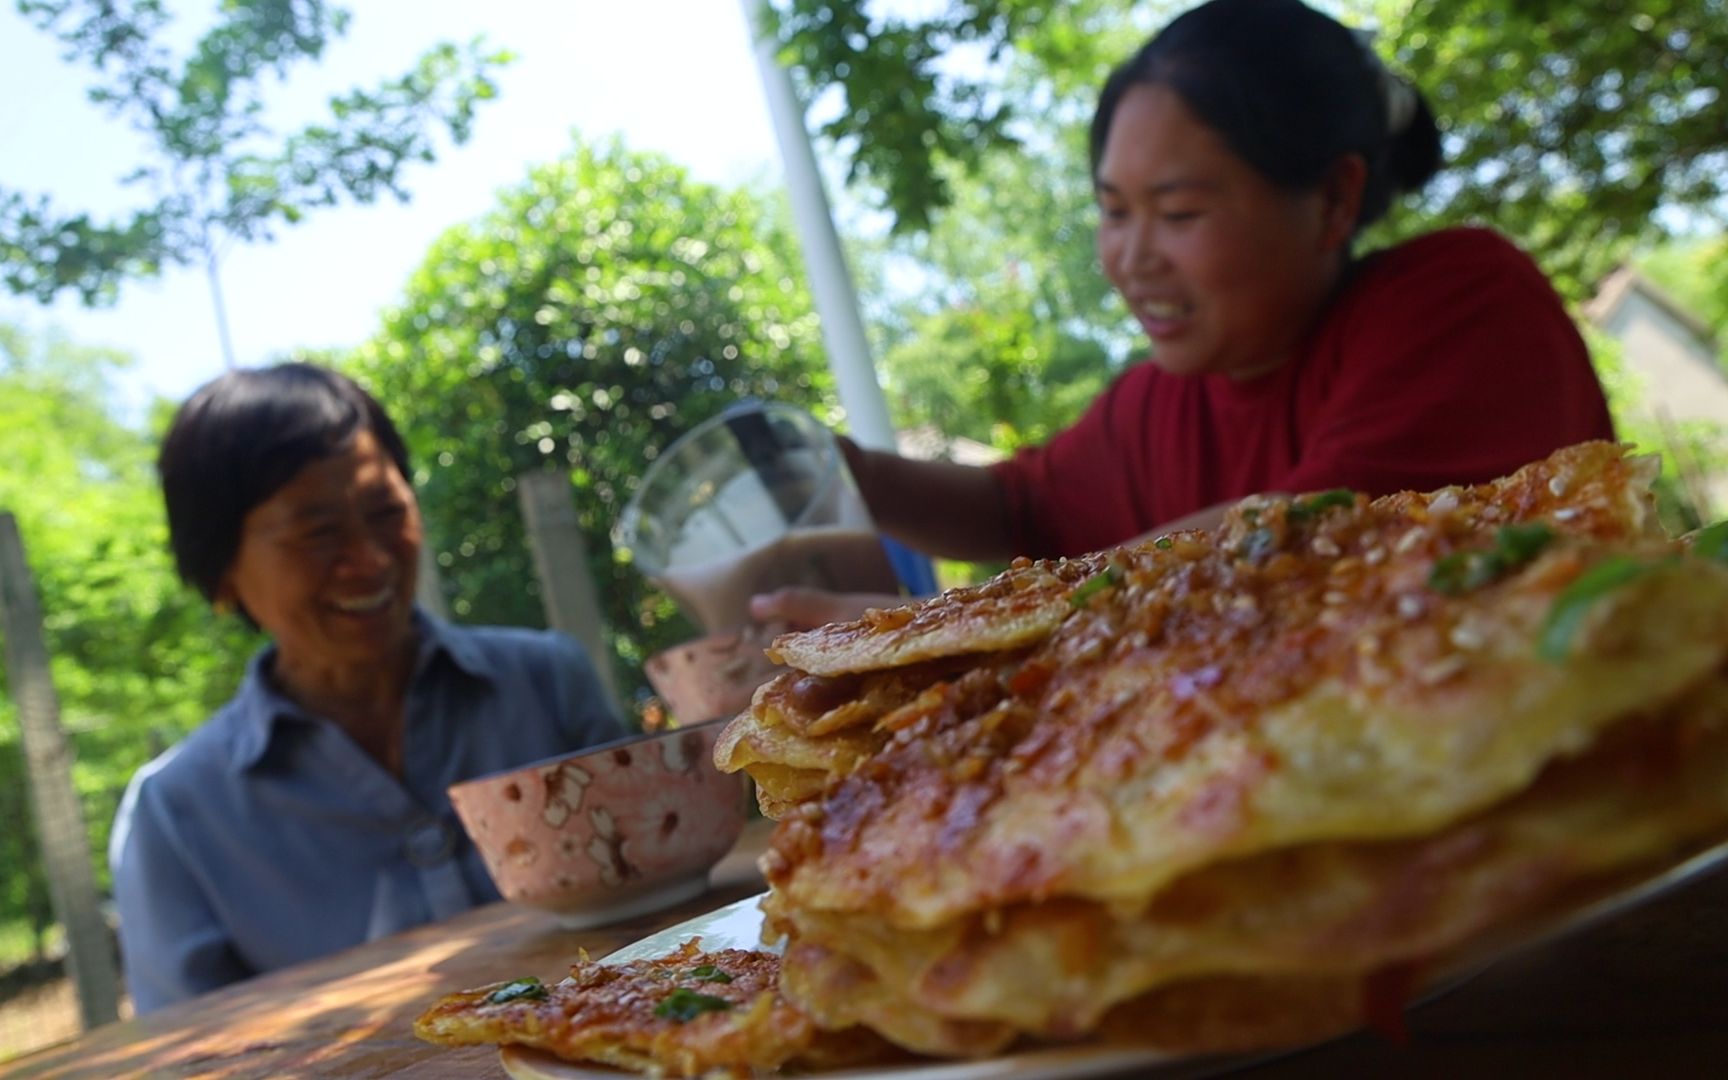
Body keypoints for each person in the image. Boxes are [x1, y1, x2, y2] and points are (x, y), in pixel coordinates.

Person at [753, 0, 1614, 630]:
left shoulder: (1461, 301)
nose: (1131, 258)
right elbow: (1016, 509)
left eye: (1179, 213)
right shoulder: (1154, 407)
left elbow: (1303, 538)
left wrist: (929, 628)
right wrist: (823, 468)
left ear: (1333, 199)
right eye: (1114, 211)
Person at [109, 362, 628, 1013]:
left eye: (386, 511)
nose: (372, 558)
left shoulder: (549, 683)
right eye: (317, 532)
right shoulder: (174, 817)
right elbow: (192, 1056)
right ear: (221, 575)